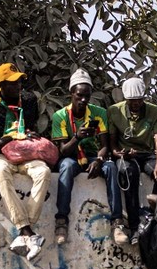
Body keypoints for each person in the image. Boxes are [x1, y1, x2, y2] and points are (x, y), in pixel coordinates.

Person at [0, 63, 49, 259]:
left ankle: (25, 230)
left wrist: (31, 134)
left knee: (43, 171)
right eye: (12, 83)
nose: (18, 85)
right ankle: (28, 233)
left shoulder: (28, 100)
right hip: (2, 154)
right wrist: (6, 139)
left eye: (19, 81)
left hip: (27, 154)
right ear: (1, 85)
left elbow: (33, 126)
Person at [50, 69, 118, 247]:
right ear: (71, 93)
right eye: (79, 96)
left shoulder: (99, 112)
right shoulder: (60, 116)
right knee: (65, 167)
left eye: (87, 96)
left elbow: (105, 146)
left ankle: (117, 222)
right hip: (71, 156)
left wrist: (99, 160)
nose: (83, 100)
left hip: (93, 156)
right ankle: (61, 221)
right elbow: (63, 151)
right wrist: (77, 137)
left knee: (111, 167)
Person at [108, 77, 157, 241]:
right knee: (128, 173)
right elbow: (112, 145)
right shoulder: (114, 111)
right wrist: (121, 153)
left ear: (144, 98)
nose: (136, 104)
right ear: (126, 99)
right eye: (132, 101)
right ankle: (134, 226)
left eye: (139, 100)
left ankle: (153, 216)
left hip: (147, 153)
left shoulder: (155, 111)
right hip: (125, 154)